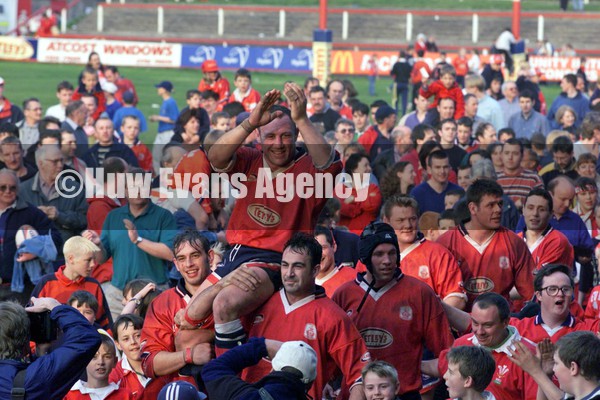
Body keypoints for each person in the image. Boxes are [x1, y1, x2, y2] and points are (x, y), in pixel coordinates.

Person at [202, 83, 342, 353]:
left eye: (286, 136)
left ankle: (227, 377)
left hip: (274, 259)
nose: (278, 144)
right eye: (270, 136)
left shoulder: (309, 171)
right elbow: (215, 157)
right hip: (235, 256)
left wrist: (301, 117)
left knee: (224, 304)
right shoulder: (249, 160)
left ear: (297, 134)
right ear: (258, 137)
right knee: (188, 327)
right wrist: (250, 122)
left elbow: (329, 163)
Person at [240, 233, 369, 400]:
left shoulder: (332, 317)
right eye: (285, 265)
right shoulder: (257, 301)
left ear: (315, 269)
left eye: (298, 266)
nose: (289, 273)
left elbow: (360, 373)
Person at [332, 222, 452, 399]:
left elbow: (447, 350)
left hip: (405, 394)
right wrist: (327, 381)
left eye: (392, 253)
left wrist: (417, 365)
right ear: (365, 257)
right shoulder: (344, 295)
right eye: (379, 254)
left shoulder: (419, 293)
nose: (387, 261)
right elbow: (330, 352)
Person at [437, 179, 535, 306]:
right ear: (473, 208)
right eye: (491, 205)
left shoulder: (514, 242)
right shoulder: (445, 243)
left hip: (501, 322)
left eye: (500, 204)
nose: (498, 210)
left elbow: (532, 294)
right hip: (458, 322)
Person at [422, 293, 537, 400]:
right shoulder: (463, 343)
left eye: (487, 325)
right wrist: (409, 364)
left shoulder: (527, 356)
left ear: (506, 322)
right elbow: (441, 366)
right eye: (475, 323)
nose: (479, 331)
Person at [0, 297, 102, 399]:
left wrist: (39, 354)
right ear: (26, 339)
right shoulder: (35, 377)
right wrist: (54, 306)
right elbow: (88, 338)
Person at [381, 196, 466, 308]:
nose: (408, 225)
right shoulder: (373, 255)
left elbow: (456, 298)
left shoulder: (438, 253)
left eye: (412, 219)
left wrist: (431, 318)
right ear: (386, 221)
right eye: (401, 220)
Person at [31, 235, 113, 331]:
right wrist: (34, 346)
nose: (93, 265)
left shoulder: (94, 285)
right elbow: (31, 319)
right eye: (88, 260)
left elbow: (105, 324)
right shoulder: (47, 283)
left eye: (94, 260)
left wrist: (107, 345)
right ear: (71, 259)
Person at [203, 337, 317, 400]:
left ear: (272, 369)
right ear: (310, 384)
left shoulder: (243, 395)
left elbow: (213, 369)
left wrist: (261, 346)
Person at [20, 145, 88, 247]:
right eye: (55, 161)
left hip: (67, 253)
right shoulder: (23, 190)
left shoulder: (75, 188)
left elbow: (84, 220)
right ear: (40, 163)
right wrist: (34, 215)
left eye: (61, 160)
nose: (60, 165)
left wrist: (60, 216)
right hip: (34, 253)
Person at [110, 314, 169, 399]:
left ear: (147, 335)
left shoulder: (164, 361)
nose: (133, 342)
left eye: (138, 336)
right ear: (118, 344)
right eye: (126, 339)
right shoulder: (115, 377)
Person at [518, 189, 574, 271]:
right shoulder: (515, 240)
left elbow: (541, 279)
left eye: (541, 209)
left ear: (551, 214)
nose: (535, 214)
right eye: (530, 208)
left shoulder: (557, 241)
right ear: (523, 210)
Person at [65, 333, 132, 399]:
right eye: (94, 357)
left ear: (115, 361)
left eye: (107, 356)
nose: (101, 362)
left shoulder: (125, 396)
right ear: (84, 360)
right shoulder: (70, 395)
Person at [335, 153, 382, 235]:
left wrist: (353, 199)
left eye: (369, 165)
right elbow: (341, 208)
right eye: (365, 165)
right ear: (354, 169)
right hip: (346, 237)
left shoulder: (373, 188)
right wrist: (362, 202)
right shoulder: (340, 189)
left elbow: (374, 204)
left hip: (368, 236)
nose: (370, 169)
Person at [496, 138, 544, 209]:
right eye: (507, 153)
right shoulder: (494, 178)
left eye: (515, 153)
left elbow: (542, 204)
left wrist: (525, 205)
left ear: (521, 156)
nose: (510, 157)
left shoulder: (534, 178)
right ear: (502, 155)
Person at [314, 225, 356, 297]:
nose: (318, 254)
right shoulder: (302, 281)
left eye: (323, 248)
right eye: (313, 249)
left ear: (334, 247)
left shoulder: (352, 279)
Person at [390, 51, 412, 115]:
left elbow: (392, 73)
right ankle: (403, 114)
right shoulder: (408, 65)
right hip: (405, 84)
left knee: (395, 100)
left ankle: (395, 114)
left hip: (397, 83)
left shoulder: (396, 64)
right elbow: (410, 73)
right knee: (404, 101)